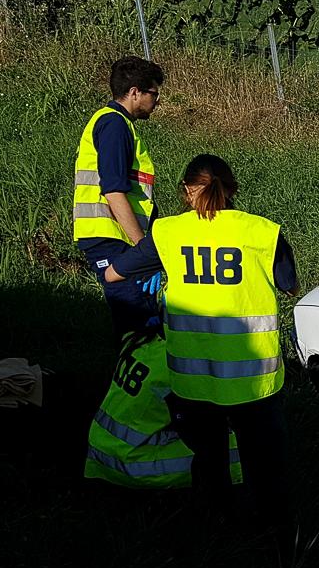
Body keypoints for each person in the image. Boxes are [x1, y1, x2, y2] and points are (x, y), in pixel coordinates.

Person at [104, 154, 298, 529]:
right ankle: (280, 548)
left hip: (193, 382)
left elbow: (114, 275)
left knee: (209, 462)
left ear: (187, 191)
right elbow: (290, 286)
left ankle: (220, 531)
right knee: (268, 470)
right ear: (232, 191)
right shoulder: (263, 232)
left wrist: (164, 273)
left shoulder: (167, 233)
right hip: (254, 383)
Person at [73, 56, 165, 336]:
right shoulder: (114, 125)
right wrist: (143, 252)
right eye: (154, 93)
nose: (157, 101)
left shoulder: (116, 124)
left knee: (142, 320)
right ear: (135, 92)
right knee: (138, 325)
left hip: (117, 237)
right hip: (112, 238)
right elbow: (113, 191)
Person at [85, 327, 242, 489]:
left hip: (102, 450)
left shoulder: (142, 337)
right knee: (240, 448)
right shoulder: (180, 363)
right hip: (131, 463)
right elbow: (197, 426)